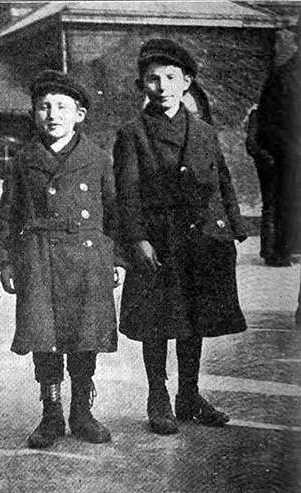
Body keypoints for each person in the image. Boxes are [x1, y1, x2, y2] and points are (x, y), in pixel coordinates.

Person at [113, 39, 248, 435]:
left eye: (171, 77)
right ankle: (158, 397)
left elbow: (222, 180)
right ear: (143, 86)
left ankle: (189, 395)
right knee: (157, 322)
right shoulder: (132, 133)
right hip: (159, 240)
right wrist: (138, 239)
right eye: (152, 79)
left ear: (186, 81)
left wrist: (234, 226)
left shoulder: (204, 131)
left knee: (195, 320)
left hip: (202, 239)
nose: (163, 86)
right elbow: (127, 192)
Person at [0, 69, 124, 449]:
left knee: (85, 339)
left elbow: (114, 213)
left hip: (87, 259)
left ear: (79, 114)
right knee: (44, 339)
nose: (53, 114)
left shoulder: (97, 159)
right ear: (34, 113)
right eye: (44, 107)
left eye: (62, 107)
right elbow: (9, 213)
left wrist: (118, 258)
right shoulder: (24, 160)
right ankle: (51, 414)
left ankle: (82, 411)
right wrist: (5, 260)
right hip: (38, 257)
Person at [254, 16, 301, 266]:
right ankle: (280, 251)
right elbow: (266, 124)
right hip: (290, 156)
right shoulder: (282, 78)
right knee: (286, 202)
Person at [245, 104, 280, 265]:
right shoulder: (258, 113)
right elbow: (251, 144)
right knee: (271, 206)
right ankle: (270, 252)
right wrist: (269, 160)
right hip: (270, 168)